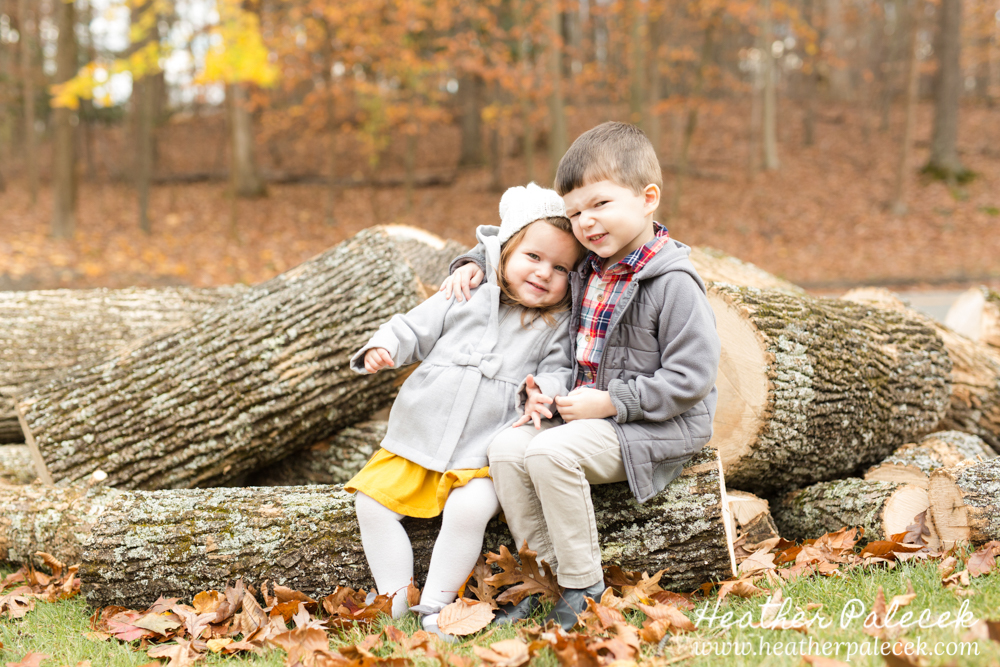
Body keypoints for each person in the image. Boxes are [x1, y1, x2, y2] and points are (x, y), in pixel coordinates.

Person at [442, 121, 721, 630]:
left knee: (550, 452)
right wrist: (472, 263)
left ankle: (581, 584)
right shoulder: (588, 268)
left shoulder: (672, 282)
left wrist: (610, 402)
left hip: (654, 424)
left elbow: (692, 378)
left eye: (600, 204)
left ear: (647, 198)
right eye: (574, 213)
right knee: (507, 448)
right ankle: (540, 577)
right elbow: (517, 242)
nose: (585, 222)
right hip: (591, 415)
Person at [345, 182, 585, 639]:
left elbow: (560, 370)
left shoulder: (557, 322)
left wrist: (542, 393)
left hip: (483, 447)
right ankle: (394, 602)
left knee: (469, 510)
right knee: (371, 505)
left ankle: (435, 606)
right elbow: (414, 327)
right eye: (533, 257)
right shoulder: (466, 290)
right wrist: (384, 345)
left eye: (560, 268)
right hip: (420, 435)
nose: (543, 273)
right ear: (506, 251)